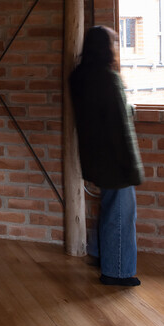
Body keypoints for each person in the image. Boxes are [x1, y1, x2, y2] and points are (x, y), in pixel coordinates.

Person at [70, 25, 144, 287]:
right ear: (106, 47)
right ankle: (118, 271)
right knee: (122, 214)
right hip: (115, 159)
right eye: (114, 42)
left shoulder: (79, 76)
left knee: (110, 209)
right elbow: (119, 127)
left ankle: (100, 254)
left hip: (94, 157)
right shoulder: (108, 79)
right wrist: (132, 169)